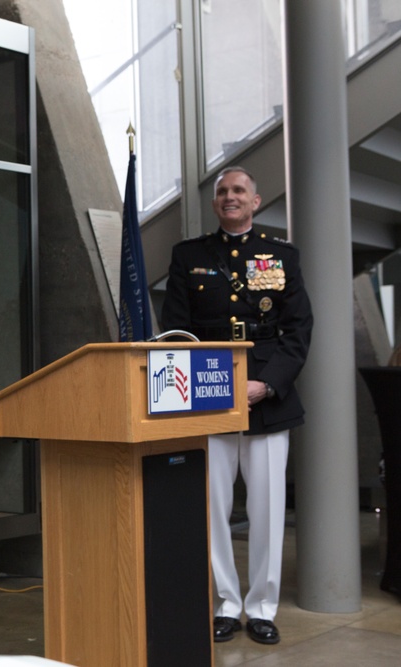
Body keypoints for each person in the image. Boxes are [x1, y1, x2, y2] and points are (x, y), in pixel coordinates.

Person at [161, 166, 313, 646]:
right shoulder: (189, 256)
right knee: (213, 508)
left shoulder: (281, 255)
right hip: (208, 397)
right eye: (222, 191)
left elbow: (299, 329)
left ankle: (263, 606)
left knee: (268, 509)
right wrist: (196, 389)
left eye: (239, 191)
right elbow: (175, 332)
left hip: (266, 398)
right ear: (215, 204)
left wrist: (266, 384)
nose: (230, 197)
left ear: (255, 201)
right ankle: (227, 602)